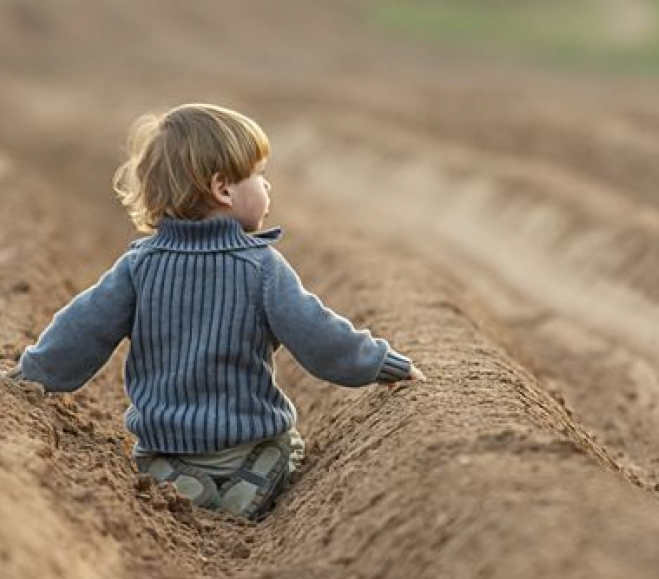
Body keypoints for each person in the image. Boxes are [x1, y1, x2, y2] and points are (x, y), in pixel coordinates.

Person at [1, 103, 425, 520]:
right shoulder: (261, 267)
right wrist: (381, 363)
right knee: (288, 446)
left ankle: (171, 478)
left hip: (166, 440)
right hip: (249, 438)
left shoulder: (138, 266)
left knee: (153, 459)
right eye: (258, 176)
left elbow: (81, 330)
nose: (268, 187)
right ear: (223, 189)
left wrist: (31, 375)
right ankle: (255, 476)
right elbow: (319, 336)